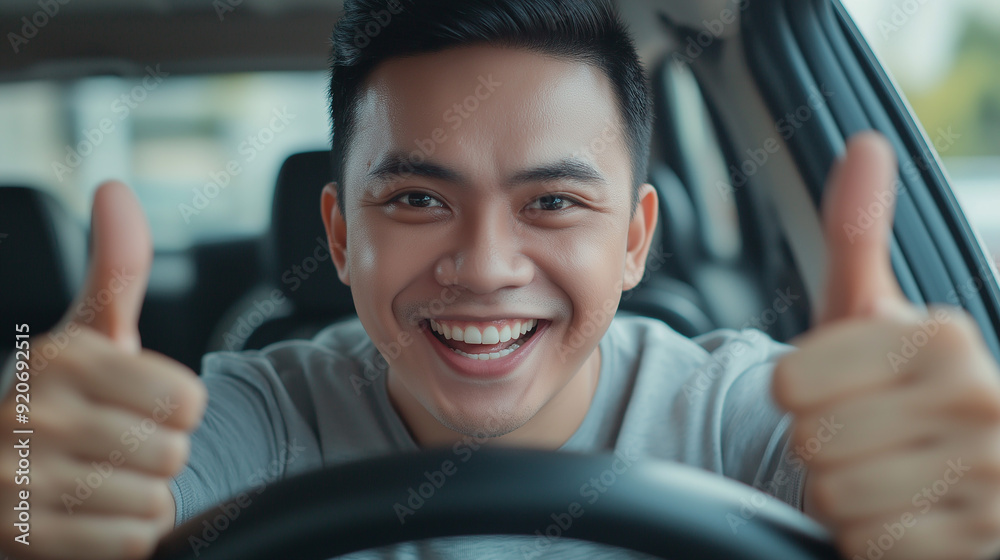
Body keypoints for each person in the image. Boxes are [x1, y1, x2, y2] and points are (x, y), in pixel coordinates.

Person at [4, 1, 1000, 559]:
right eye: (416, 201)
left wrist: (951, 514)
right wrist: (20, 508)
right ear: (340, 235)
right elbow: (111, 489)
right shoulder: (252, 412)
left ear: (634, 239)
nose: (483, 267)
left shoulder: (749, 412)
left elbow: (871, 477)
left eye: (554, 203)